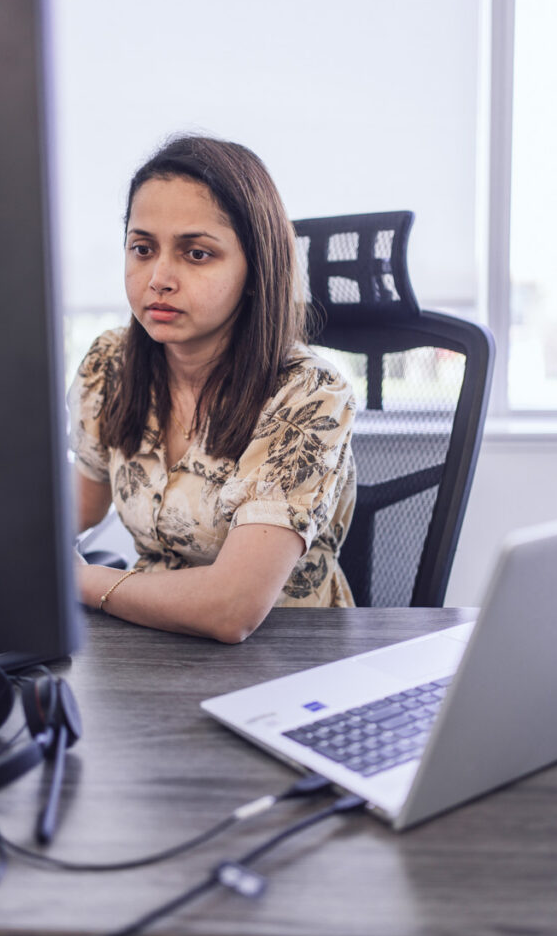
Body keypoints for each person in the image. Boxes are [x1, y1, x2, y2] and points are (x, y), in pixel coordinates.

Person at [69, 134, 356, 643]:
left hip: (288, 661)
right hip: (149, 648)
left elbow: (232, 609)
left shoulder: (310, 393)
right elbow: (80, 507)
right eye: (142, 248)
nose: (158, 277)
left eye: (196, 254)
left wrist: (79, 580)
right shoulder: (110, 364)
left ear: (253, 269)